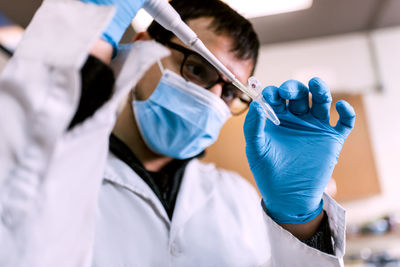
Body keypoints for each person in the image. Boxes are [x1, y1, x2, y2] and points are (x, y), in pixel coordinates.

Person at [0, 0, 355, 266]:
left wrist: (299, 224)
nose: (212, 99)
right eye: (198, 69)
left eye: (230, 91)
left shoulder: (239, 200)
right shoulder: (58, 164)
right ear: (143, 45)